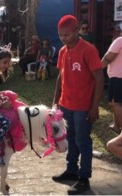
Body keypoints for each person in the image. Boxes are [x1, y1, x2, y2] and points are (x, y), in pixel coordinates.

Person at [52, 15, 104, 195]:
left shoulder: (89, 50)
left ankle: (84, 178)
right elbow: (61, 76)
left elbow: (99, 78)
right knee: (70, 140)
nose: (62, 38)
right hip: (65, 104)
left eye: (66, 35)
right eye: (60, 35)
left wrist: (95, 106)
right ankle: (71, 171)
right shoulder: (62, 51)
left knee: (83, 142)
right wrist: (55, 101)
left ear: (76, 31)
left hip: (83, 107)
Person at [101, 36, 122, 158]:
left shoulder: (119, 40)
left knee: (116, 104)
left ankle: (120, 130)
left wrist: (95, 70)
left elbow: (108, 58)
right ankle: (116, 125)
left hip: (118, 77)